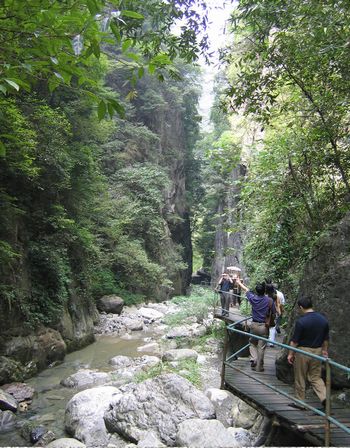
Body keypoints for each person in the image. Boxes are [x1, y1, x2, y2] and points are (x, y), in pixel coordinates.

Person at [287, 297, 329, 408]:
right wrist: (324, 351)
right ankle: (325, 398)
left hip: (303, 351)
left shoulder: (301, 322)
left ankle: (300, 403)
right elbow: (325, 339)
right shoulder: (323, 320)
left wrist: (291, 354)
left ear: (301, 307)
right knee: (315, 377)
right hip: (318, 351)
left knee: (300, 377)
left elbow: (295, 341)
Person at [236, 279, 276, 372]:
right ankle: (259, 367)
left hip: (254, 325)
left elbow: (246, 290)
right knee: (261, 347)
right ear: (264, 291)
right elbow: (274, 313)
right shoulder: (269, 300)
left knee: (252, 343)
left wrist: (239, 283)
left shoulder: (253, 298)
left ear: (257, 291)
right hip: (264, 326)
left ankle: (254, 359)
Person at [265, 283, 282, 347]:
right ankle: (271, 342)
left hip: (266, 313)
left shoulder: (265, 296)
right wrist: (279, 312)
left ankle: (266, 341)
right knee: (272, 328)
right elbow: (277, 305)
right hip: (273, 313)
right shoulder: (275, 296)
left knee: (266, 326)